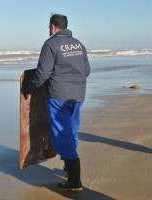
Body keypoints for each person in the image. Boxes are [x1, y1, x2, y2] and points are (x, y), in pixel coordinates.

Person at [23, 14, 90, 192]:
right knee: (72, 130)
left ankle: (74, 180)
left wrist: (29, 87)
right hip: (78, 95)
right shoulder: (78, 44)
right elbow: (87, 70)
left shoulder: (51, 44)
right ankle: (69, 167)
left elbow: (43, 72)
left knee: (61, 135)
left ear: (52, 27)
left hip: (59, 95)